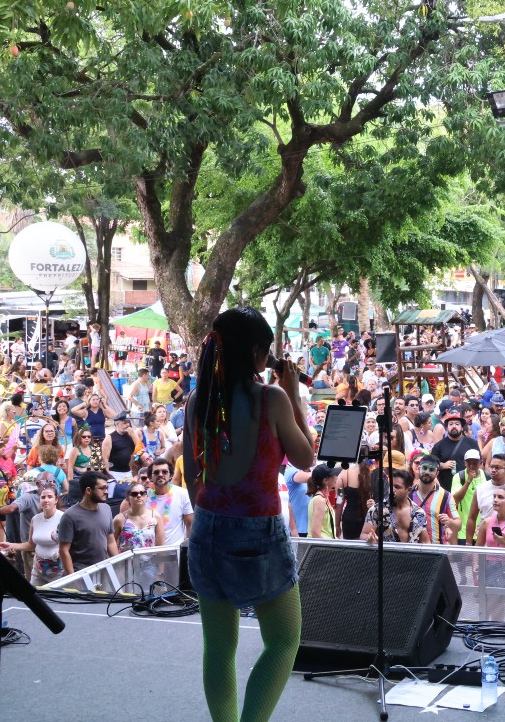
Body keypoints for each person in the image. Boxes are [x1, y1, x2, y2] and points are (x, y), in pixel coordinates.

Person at [182, 307, 314, 722]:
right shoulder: (271, 398)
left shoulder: (197, 400)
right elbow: (305, 456)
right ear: (258, 352)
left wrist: (209, 517)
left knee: (219, 648)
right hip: (258, 533)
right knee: (284, 640)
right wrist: (292, 392)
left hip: (206, 524)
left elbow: (191, 473)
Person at [0, 483, 66, 586]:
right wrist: (10, 545)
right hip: (38, 569)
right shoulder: (35, 519)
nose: (46, 500)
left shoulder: (63, 518)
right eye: (43, 497)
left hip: (58, 571)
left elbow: (71, 546)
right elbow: (30, 545)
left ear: (56, 500)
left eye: (50, 497)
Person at [58, 471, 119, 574]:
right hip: (81, 573)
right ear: (88, 490)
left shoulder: (107, 509)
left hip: (103, 571)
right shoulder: (70, 516)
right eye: (102, 488)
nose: (106, 492)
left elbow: (111, 541)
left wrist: (118, 566)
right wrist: (73, 578)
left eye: (107, 488)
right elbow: (64, 550)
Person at [361, 469, 429, 543]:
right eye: (391, 485)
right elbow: (364, 534)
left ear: (408, 490)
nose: (392, 489)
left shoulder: (418, 513)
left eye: (397, 487)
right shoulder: (377, 510)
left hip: (410, 553)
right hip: (386, 553)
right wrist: (369, 538)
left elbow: (425, 542)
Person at [145, 457, 194, 546]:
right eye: (156, 472)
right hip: (150, 550)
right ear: (150, 477)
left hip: (175, 550)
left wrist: (187, 548)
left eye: (164, 472)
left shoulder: (182, 493)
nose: (160, 474)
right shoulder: (144, 496)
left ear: (171, 475)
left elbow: (190, 524)